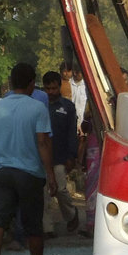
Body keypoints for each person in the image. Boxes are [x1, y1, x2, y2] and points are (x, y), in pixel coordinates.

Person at [0, 63, 58, 255]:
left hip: (2, 173)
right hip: (29, 174)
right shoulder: (37, 108)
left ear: (11, 81)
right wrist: (51, 174)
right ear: (31, 84)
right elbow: (43, 142)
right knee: (33, 225)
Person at [42, 71, 80, 237]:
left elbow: (72, 133)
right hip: (41, 156)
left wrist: (71, 156)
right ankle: (47, 228)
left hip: (60, 155)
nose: (51, 92)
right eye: (48, 88)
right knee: (43, 194)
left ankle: (71, 215)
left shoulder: (68, 107)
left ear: (59, 87)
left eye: (54, 88)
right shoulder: (40, 106)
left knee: (61, 190)